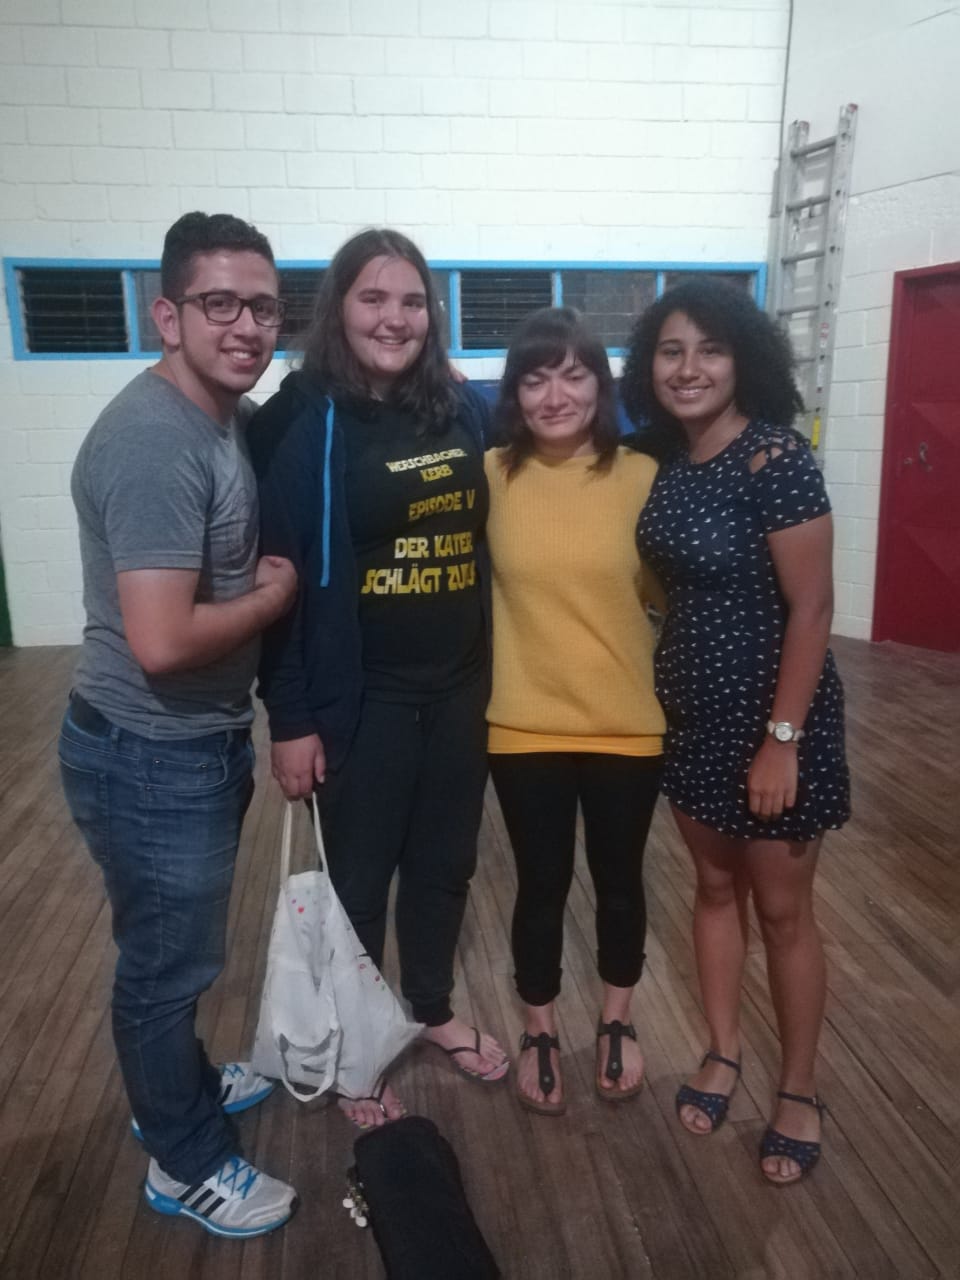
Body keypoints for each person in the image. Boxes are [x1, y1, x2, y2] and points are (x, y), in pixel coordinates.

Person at [58, 213, 300, 1236]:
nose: (246, 326)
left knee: (176, 953)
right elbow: (160, 641)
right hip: (149, 751)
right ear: (168, 315)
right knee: (166, 967)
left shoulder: (215, 413)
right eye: (220, 303)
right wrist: (272, 597)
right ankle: (183, 1157)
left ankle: (182, 1089)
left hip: (185, 743)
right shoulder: (158, 440)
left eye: (264, 308)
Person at [249, 228, 508, 1131]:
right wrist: (289, 715)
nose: (394, 319)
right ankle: (356, 1047)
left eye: (411, 301)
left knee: (445, 865)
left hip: (462, 687)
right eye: (373, 299)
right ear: (339, 308)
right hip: (364, 697)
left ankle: (430, 1008)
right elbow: (276, 580)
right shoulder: (298, 420)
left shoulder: (461, 407)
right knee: (358, 881)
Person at [623, 279, 851, 1184]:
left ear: (743, 360)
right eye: (671, 351)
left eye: (709, 350)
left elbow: (814, 607)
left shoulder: (775, 459)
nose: (689, 369)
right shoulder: (667, 461)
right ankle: (723, 1051)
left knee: (784, 914)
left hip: (775, 725)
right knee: (714, 891)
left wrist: (782, 739)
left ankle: (798, 1088)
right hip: (693, 720)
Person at [484, 307, 665, 1115]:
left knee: (620, 882)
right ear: (514, 394)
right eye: (535, 379)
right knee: (542, 883)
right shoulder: (491, 475)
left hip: (628, 724)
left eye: (573, 374)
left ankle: (617, 1018)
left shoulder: (642, 475)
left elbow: (671, 591)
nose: (555, 395)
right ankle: (540, 1028)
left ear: (601, 383)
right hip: (524, 725)